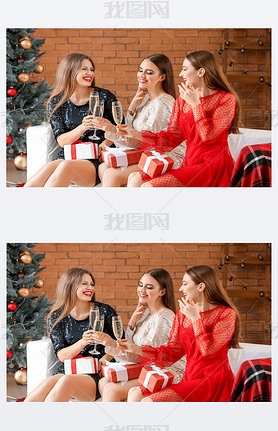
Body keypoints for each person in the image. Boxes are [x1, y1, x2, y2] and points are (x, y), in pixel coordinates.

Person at [116, 50, 241, 187]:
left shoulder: (226, 99)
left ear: (201, 72)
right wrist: (136, 134)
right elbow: (171, 139)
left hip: (212, 165)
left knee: (149, 187)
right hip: (189, 161)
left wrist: (195, 104)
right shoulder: (182, 100)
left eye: (185, 69)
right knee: (134, 178)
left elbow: (208, 136)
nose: (181, 74)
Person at [117, 265, 241, 402]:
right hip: (189, 376)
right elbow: (171, 353)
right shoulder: (182, 314)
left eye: (185, 284)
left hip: (212, 379)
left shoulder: (226, 314)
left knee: (149, 401)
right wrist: (136, 348)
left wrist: (195, 319)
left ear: (201, 287)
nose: (181, 289)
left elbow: (208, 351)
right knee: (135, 393)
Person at [91, 54, 186, 186]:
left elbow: (144, 141)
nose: (142, 75)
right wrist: (131, 108)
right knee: (103, 167)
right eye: (140, 70)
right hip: (146, 153)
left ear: (162, 77)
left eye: (149, 72)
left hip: (163, 157)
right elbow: (129, 132)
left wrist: (110, 129)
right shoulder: (145, 99)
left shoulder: (163, 103)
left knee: (111, 174)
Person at [91, 268, 186, 402]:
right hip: (145, 367)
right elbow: (129, 344)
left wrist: (110, 343)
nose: (142, 290)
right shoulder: (145, 313)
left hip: (164, 372)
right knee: (103, 382)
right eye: (141, 285)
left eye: (149, 287)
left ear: (162, 292)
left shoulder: (163, 318)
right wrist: (131, 323)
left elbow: (145, 357)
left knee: (111, 389)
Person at [24, 268, 118, 402]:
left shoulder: (104, 311)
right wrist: (83, 341)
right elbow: (62, 356)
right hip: (69, 369)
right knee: (47, 384)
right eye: (84, 284)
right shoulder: (57, 316)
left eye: (91, 284)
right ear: (70, 285)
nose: (90, 288)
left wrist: (107, 357)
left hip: (95, 373)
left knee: (66, 381)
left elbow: (119, 342)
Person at [24, 53, 117, 187]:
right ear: (70, 71)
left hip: (96, 158)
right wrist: (83, 127)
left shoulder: (104, 96)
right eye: (84, 69)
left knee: (66, 166)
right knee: (47, 170)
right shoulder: (57, 102)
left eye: (91, 69)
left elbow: (118, 127)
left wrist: (107, 142)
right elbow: (62, 141)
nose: (90, 73)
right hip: (69, 154)